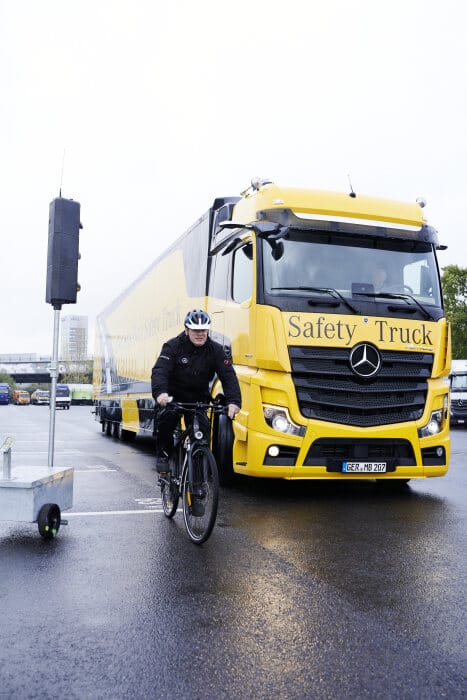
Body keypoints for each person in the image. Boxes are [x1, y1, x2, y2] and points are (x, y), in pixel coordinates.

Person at [151, 309, 241, 472]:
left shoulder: (216, 350)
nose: (200, 334)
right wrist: (160, 393)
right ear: (186, 330)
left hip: (198, 399)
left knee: (201, 438)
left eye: (203, 330)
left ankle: (198, 480)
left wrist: (234, 401)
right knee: (166, 420)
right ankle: (164, 456)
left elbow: (228, 376)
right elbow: (160, 371)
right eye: (195, 330)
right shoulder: (173, 346)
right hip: (173, 398)